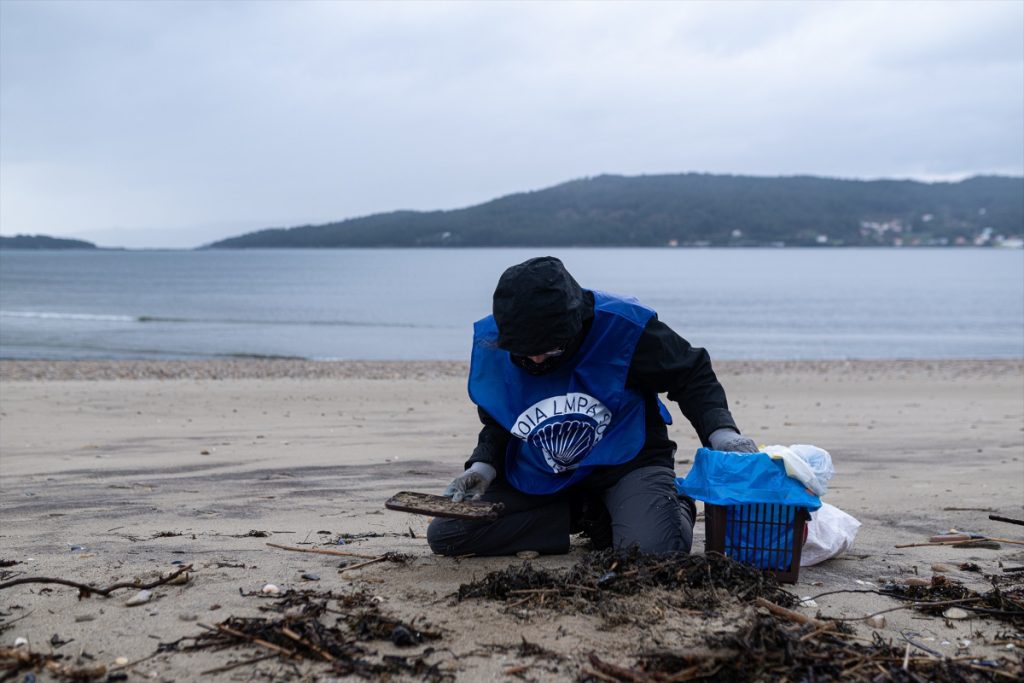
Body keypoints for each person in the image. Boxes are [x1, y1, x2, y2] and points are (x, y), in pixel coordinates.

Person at [427, 256, 756, 557]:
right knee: (447, 533)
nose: (537, 358)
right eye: (525, 351)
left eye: (549, 348)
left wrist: (720, 432)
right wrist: (482, 467)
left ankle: (672, 503)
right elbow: (502, 421)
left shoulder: (624, 327)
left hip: (626, 463)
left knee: (652, 552)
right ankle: (587, 517)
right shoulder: (497, 339)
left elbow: (691, 373)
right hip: (544, 471)